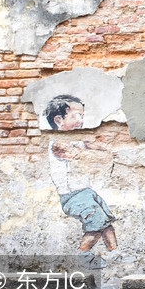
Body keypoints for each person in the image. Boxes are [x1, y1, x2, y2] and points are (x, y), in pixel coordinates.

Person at [45, 95, 117, 268]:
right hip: (72, 197)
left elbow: (98, 147)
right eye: (76, 115)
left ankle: (115, 254)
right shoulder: (58, 143)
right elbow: (81, 155)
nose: (81, 120)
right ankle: (82, 256)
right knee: (97, 223)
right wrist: (101, 156)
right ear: (59, 120)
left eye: (82, 116)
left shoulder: (76, 140)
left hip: (86, 192)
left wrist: (111, 151)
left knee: (107, 222)